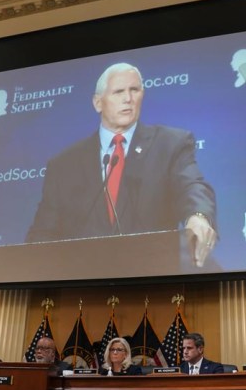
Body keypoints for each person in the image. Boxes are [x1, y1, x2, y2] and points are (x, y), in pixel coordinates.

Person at [26, 62, 217, 269]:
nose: (128, 99)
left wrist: (198, 216)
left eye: (134, 90)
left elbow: (192, 186)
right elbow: (43, 234)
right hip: (83, 286)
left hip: (153, 278)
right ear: (98, 103)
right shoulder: (63, 165)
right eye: (118, 92)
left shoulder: (170, 144)